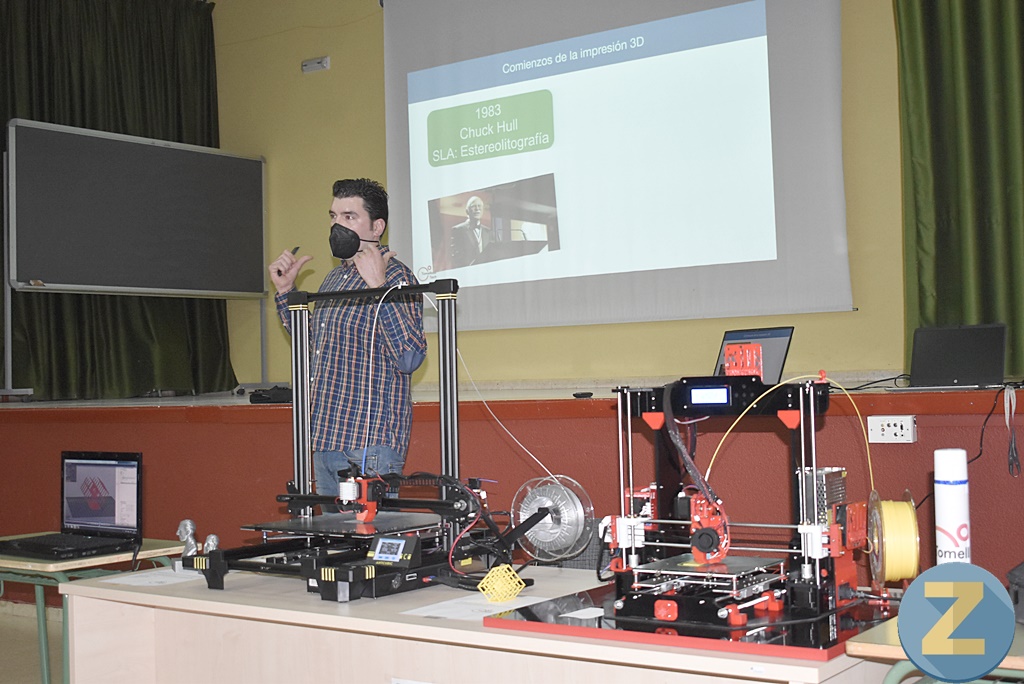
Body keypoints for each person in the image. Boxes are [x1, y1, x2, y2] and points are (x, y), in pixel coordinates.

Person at [268, 178, 426, 511]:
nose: (337, 224)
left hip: (368, 447)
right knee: (334, 549)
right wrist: (285, 294)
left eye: (349, 216)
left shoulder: (397, 276)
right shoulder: (334, 278)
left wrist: (379, 286)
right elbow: (313, 350)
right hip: (325, 439)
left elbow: (410, 357)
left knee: (371, 551)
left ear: (377, 226)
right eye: (333, 215)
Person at [448, 195, 493, 268]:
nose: (477, 209)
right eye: (474, 206)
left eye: (479, 206)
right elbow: (456, 256)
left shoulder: (488, 231)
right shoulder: (458, 230)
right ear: (467, 211)